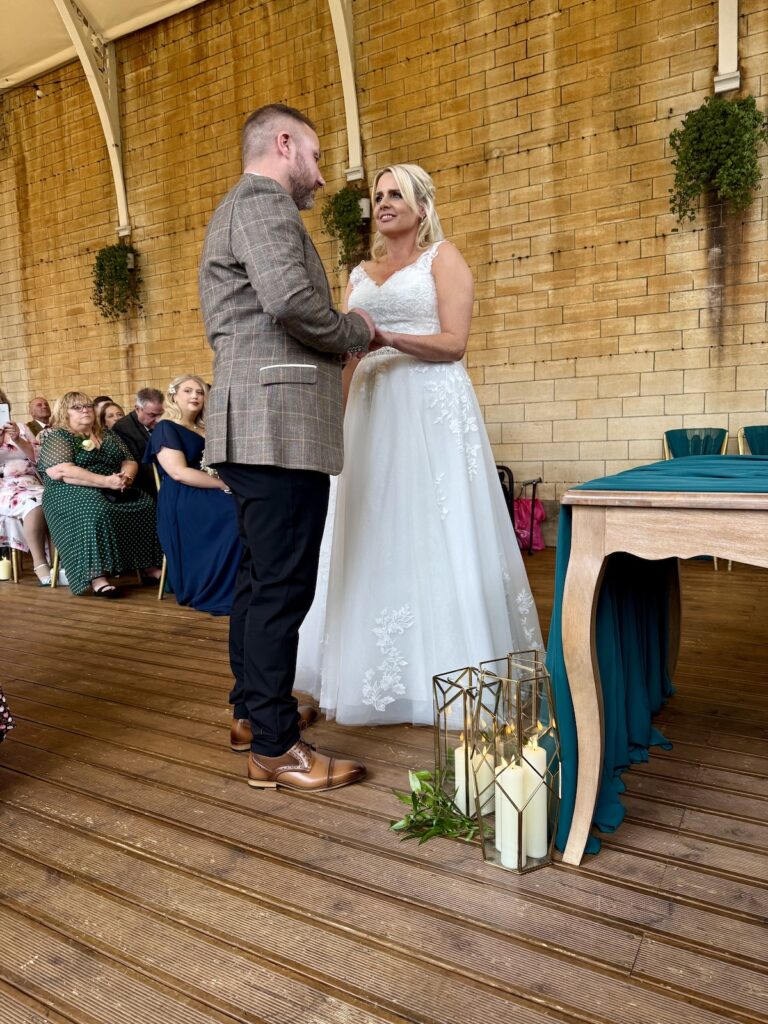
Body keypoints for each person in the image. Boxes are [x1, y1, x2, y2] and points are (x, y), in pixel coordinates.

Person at [296, 163, 543, 725]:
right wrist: (333, 418)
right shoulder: (358, 274)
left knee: (436, 525)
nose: (383, 203)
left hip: (429, 403)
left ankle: (451, 668)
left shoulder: (444, 259)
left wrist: (387, 337)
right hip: (371, 409)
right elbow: (347, 356)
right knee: (372, 528)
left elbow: (455, 343)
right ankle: (371, 675)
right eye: (378, 196)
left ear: (421, 207)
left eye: (395, 195)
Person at [200, 103, 378, 792]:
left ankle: (253, 711)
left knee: (257, 579)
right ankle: (276, 750)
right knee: (280, 587)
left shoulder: (241, 207)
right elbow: (293, 302)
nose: (323, 175)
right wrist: (353, 329)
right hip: (278, 427)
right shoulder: (263, 202)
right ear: (284, 144)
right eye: (317, 154)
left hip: (258, 424)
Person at [38, 391, 163, 597]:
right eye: (77, 407)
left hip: (111, 486)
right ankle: (97, 576)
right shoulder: (58, 436)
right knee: (95, 510)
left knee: (145, 503)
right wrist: (106, 481)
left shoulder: (108, 434)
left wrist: (126, 478)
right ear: (64, 412)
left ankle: (148, 566)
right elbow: (61, 471)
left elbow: (129, 460)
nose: (85, 410)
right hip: (69, 491)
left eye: (87, 406)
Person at [144, 375, 241, 615]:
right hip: (185, 494)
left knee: (254, 508)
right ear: (173, 396)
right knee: (233, 514)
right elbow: (178, 472)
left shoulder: (208, 428)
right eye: (188, 391)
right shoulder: (166, 428)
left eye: (200, 392)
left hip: (214, 486)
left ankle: (245, 584)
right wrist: (222, 485)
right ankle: (218, 588)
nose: (195, 396)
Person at [0, 389, 52, 585]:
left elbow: (36, 457)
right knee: (33, 504)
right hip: (5, 488)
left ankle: (60, 563)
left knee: (53, 499)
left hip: (31, 482)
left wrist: (17, 439)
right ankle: (40, 563)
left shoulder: (20, 427)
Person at [113, 388, 164, 498]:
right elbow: (141, 464)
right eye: (152, 415)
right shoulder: (123, 428)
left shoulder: (165, 422)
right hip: (144, 486)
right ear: (137, 409)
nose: (158, 420)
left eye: (161, 414)